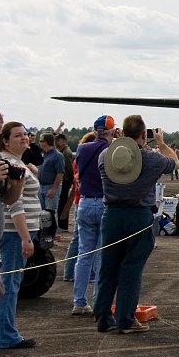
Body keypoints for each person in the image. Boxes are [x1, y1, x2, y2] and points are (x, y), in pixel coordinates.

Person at [93, 115, 177, 334]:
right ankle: (126, 320)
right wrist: (160, 142)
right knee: (131, 270)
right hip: (139, 215)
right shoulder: (152, 159)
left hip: (111, 215)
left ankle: (103, 318)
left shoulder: (105, 156)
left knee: (107, 268)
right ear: (143, 135)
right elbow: (174, 163)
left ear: (121, 132)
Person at [0, 121, 41, 349]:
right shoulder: (12, 164)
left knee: (9, 281)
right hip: (14, 234)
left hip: (16, 233)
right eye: (17, 135)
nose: (24, 138)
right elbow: (15, 204)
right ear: (5, 140)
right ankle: (5, 334)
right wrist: (25, 237)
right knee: (10, 283)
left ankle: (4, 331)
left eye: (25, 134)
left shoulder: (18, 163)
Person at [71, 116, 116, 315]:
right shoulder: (111, 152)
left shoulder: (82, 149)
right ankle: (99, 302)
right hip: (104, 203)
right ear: (112, 131)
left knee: (84, 254)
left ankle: (79, 301)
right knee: (101, 256)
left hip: (85, 202)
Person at [62, 131, 96, 282]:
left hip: (79, 201)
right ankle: (87, 274)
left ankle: (69, 272)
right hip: (86, 200)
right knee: (87, 241)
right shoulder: (93, 159)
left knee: (77, 239)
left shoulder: (79, 159)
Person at [36, 132, 65, 215]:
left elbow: (60, 173)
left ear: (47, 142)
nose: (39, 143)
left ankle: (52, 228)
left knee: (50, 212)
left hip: (51, 186)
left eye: (41, 141)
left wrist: (53, 189)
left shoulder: (57, 155)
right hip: (41, 186)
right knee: (41, 212)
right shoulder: (42, 154)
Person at [54, 132, 76, 231]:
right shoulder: (61, 151)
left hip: (66, 180)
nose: (57, 142)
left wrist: (69, 180)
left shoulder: (66, 153)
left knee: (63, 202)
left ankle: (63, 225)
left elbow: (69, 168)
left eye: (59, 140)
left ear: (63, 141)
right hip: (64, 180)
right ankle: (61, 224)